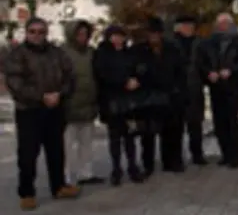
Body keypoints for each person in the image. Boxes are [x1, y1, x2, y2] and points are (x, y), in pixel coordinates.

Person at [5, 17, 80, 210]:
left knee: (56, 150)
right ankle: (27, 192)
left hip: (55, 108)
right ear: (26, 32)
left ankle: (59, 186)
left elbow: (70, 77)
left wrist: (59, 94)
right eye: (33, 31)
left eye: (41, 32)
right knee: (28, 153)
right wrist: (41, 97)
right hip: (29, 110)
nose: (37, 35)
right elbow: (15, 83)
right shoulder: (17, 54)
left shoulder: (57, 53)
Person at [198, 13, 238, 168]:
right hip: (216, 86)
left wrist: (231, 71)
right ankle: (225, 154)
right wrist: (209, 73)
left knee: (232, 121)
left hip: (233, 86)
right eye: (220, 23)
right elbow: (202, 61)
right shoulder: (209, 42)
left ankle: (236, 155)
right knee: (219, 121)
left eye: (225, 23)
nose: (222, 26)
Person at [134, 17, 186, 175]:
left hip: (170, 94)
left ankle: (172, 161)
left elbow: (180, 70)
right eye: (151, 34)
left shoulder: (172, 48)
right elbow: (135, 70)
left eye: (156, 34)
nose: (153, 37)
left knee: (172, 131)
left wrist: (178, 89)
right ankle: (148, 164)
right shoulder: (139, 50)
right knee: (148, 134)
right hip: (148, 96)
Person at [93, 25, 144, 186]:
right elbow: (102, 75)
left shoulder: (129, 53)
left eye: (120, 36)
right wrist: (123, 82)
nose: (118, 39)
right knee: (115, 137)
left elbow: (139, 69)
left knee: (130, 135)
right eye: (114, 36)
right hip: (112, 99)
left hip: (130, 100)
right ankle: (116, 169)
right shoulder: (102, 54)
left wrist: (136, 79)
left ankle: (133, 167)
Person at [61, 20, 104, 185]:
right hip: (68, 105)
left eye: (85, 34)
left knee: (86, 142)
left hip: (88, 103)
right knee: (67, 145)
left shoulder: (92, 53)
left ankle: (86, 173)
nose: (83, 37)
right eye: (79, 34)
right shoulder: (63, 53)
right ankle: (65, 176)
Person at [173, 15, 207, 165]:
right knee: (176, 126)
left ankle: (197, 155)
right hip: (176, 89)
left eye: (191, 26)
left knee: (195, 124)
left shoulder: (199, 43)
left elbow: (205, 63)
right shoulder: (171, 43)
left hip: (195, 87)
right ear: (178, 27)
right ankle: (177, 158)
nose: (189, 29)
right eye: (186, 26)